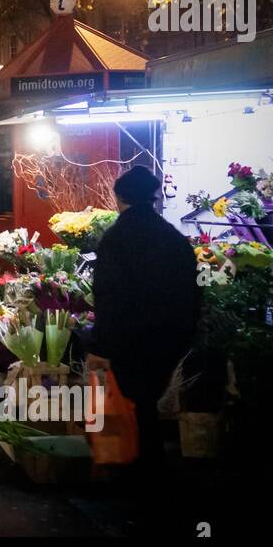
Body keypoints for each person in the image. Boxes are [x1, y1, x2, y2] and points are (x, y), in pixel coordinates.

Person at [86, 165, 200, 476]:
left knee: (136, 402)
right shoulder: (173, 238)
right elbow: (192, 289)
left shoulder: (115, 240)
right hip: (170, 337)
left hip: (129, 338)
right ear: (153, 197)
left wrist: (99, 344)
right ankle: (148, 467)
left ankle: (137, 467)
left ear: (119, 197)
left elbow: (109, 296)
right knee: (147, 400)